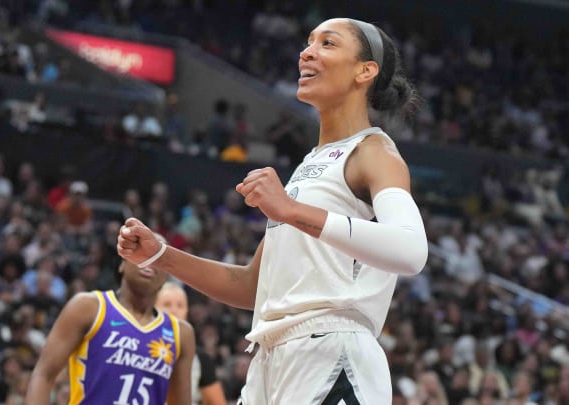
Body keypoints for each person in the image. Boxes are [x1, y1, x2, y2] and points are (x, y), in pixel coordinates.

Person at [118, 17, 428, 404]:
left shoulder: (374, 151)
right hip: (271, 355)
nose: (307, 51)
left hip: (332, 350)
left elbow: (411, 250)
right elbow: (252, 286)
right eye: (309, 42)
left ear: (365, 71)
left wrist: (291, 209)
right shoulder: (309, 166)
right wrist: (161, 255)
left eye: (328, 44)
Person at [24, 241, 195, 405]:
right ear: (122, 263)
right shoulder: (88, 307)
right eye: (143, 254)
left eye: (158, 258)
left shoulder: (181, 333)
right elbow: (43, 374)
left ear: (166, 275)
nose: (149, 262)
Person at [156, 282, 227, 405]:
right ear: (153, 307)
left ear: (187, 311)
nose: (174, 311)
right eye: (167, 305)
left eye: (180, 305)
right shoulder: (135, 345)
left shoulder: (201, 358)